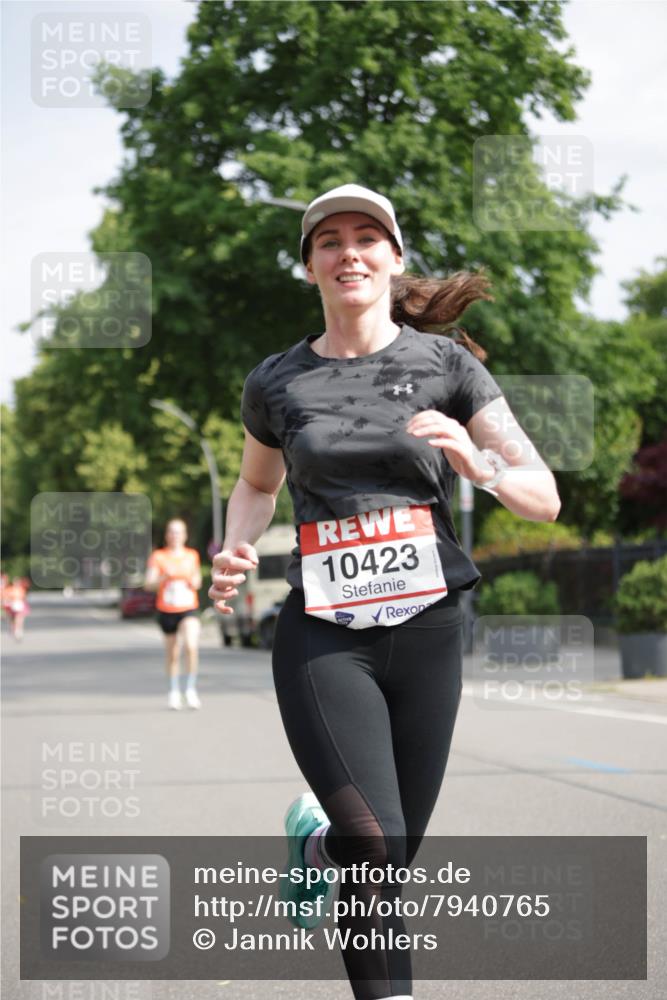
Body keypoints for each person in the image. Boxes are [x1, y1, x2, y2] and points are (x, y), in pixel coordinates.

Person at [209, 183, 561, 1000]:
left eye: (366, 237)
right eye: (328, 241)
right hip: (324, 631)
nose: (349, 253)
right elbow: (256, 484)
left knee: (389, 857)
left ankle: (316, 846)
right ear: (309, 267)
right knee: (374, 840)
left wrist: (478, 465)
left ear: (394, 258)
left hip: (427, 627)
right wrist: (233, 545)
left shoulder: (447, 366)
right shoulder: (277, 380)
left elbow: (542, 495)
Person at [145, 518, 203, 710]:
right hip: (167, 610)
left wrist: (193, 581)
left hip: (188, 608)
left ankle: (190, 690)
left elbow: (197, 580)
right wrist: (163, 577)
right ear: (166, 535)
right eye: (171, 531)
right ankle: (174, 691)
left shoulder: (192, 555)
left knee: (191, 646)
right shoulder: (159, 557)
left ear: (185, 535)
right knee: (173, 654)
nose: (175, 535)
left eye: (178, 532)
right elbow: (148, 584)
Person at [2, 576, 30, 641]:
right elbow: (6, 598)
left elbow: (23, 598)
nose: (16, 583)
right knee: (12, 620)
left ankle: (19, 631)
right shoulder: (10, 589)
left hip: (20, 606)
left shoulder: (21, 589)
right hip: (12, 606)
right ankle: (14, 630)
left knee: (19, 618)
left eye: (18, 582)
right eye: (15, 582)